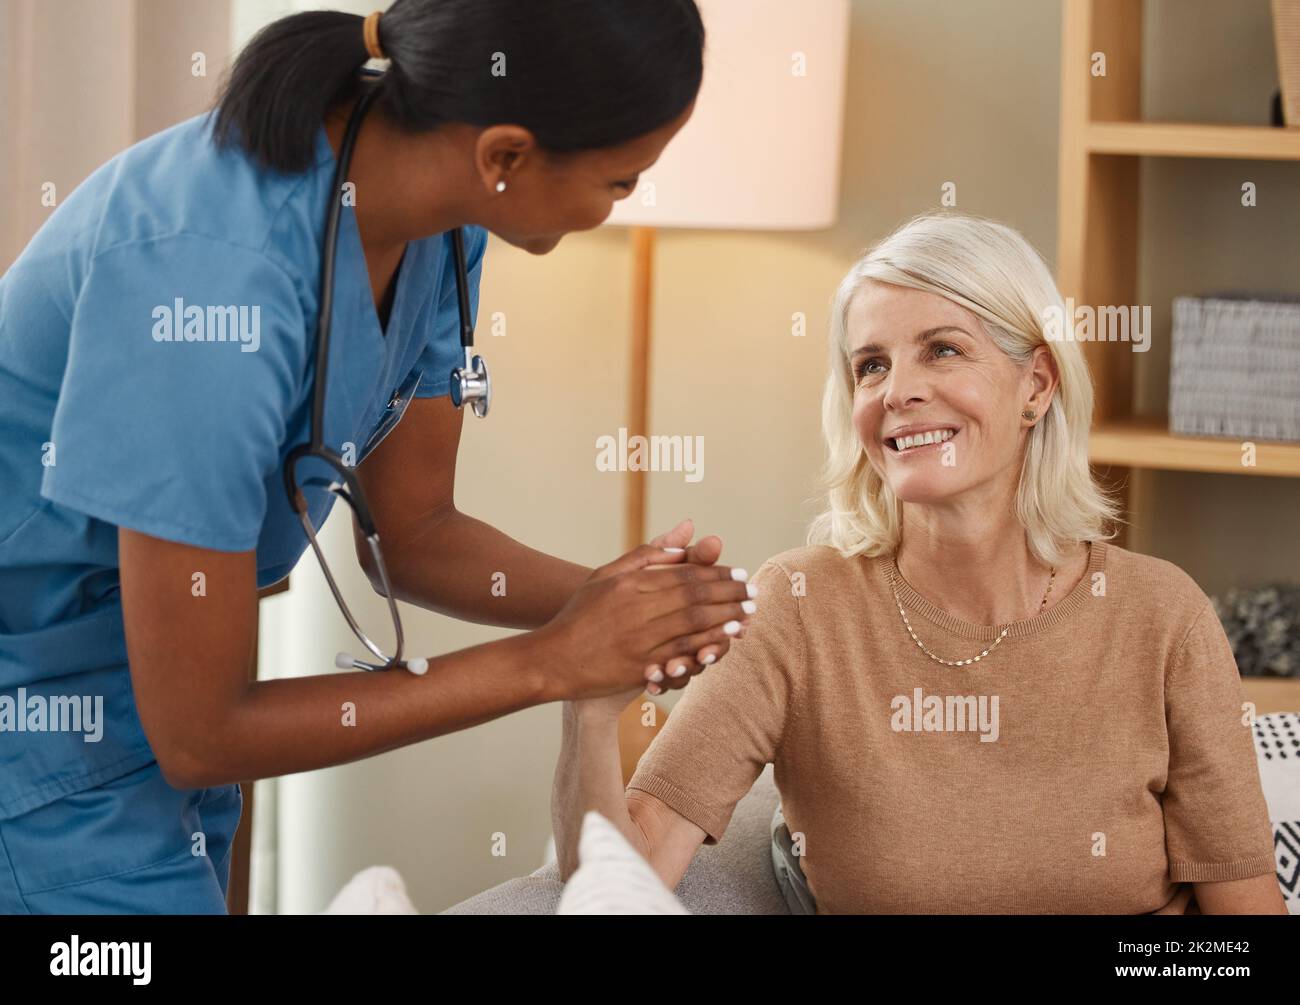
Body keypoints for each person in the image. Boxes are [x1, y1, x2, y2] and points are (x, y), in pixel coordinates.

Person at [0, 0, 754, 914]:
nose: (616, 205)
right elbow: (200, 732)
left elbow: (414, 531)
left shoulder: (444, 224)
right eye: (622, 180)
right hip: (40, 740)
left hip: (157, 728)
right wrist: (553, 660)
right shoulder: (207, 285)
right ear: (506, 154)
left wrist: (621, 603)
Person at [552, 212, 1287, 914]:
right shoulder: (800, 605)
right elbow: (622, 880)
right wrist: (587, 707)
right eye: (871, 365)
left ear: (1037, 384)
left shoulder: (1162, 615)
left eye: (942, 349)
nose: (897, 391)